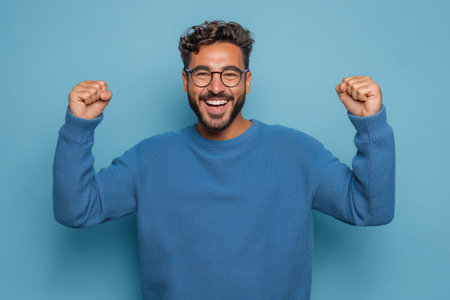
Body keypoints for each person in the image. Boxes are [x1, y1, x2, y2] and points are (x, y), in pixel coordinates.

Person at [53, 20, 395, 300]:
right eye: (202, 74)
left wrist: (370, 123)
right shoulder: (150, 157)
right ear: (186, 82)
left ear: (247, 81)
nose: (216, 87)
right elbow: (76, 209)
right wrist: (79, 125)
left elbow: (369, 208)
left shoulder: (297, 151)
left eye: (229, 74)